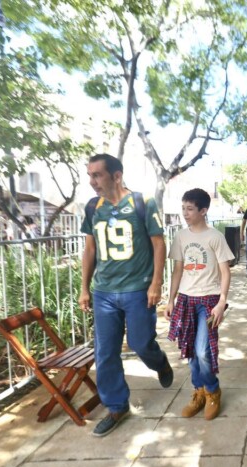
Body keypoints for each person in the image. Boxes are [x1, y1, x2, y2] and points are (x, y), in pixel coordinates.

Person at [78, 153, 173, 437]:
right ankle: (117, 406)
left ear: (116, 175)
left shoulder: (142, 203)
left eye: (97, 175)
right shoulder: (93, 207)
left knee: (141, 343)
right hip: (104, 292)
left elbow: (159, 245)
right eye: (90, 175)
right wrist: (84, 287)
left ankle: (160, 362)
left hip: (137, 289)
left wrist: (156, 283)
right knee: (105, 352)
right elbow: (90, 249)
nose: (92, 181)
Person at [165, 188, 233, 420]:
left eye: (190, 209)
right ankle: (199, 391)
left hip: (209, 300)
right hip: (185, 298)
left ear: (203, 210)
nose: (185, 213)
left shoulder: (215, 237)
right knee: (190, 349)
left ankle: (213, 390)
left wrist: (222, 302)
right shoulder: (181, 236)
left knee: (203, 350)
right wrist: (170, 299)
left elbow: (225, 271)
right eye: (183, 207)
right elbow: (176, 270)